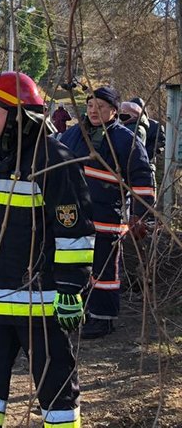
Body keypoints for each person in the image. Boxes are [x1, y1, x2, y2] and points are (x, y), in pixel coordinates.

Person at [0, 72, 96, 428]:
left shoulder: (54, 160)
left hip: (42, 304)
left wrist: (70, 290)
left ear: (17, 116)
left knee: (57, 393)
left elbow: (75, 231)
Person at [59, 87, 155, 339]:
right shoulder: (72, 135)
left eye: (100, 106)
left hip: (107, 218)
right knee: (77, 268)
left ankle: (103, 319)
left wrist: (139, 215)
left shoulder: (126, 140)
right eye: (90, 105)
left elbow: (142, 178)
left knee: (104, 271)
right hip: (73, 219)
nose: (93, 110)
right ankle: (82, 311)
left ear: (114, 110)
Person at [129, 96, 166, 178]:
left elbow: (160, 144)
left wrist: (144, 155)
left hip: (147, 165)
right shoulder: (126, 124)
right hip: (129, 166)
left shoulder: (154, 126)